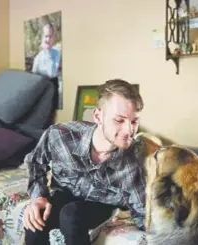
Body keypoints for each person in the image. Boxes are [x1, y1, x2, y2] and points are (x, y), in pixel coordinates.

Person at [23, 79, 146, 245]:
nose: (129, 130)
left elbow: (143, 213)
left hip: (99, 205)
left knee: (71, 214)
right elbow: (35, 161)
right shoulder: (61, 135)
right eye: (119, 120)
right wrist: (38, 197)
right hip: (64, 194)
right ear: (97, 116)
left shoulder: (134, 162)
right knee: (36, 217)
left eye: (134, 121)